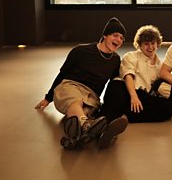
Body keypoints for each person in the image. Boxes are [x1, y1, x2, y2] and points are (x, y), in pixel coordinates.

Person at [35, 17, 128, 150]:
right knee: (76, 102)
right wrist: (48, 98)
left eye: (122, 38)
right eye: (115, 35)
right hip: (70, 86)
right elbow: (62, 73)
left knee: (85, 110)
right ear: (105, 35)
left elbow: (113, 85)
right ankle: (87, 125)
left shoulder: (115, 60)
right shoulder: (81, 51)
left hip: (92, 96)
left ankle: (75, 137)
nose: (119, 40)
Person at [97, 25, 172, 124]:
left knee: (168, 108)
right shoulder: (131, 56)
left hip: (141, 96)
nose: (150, 47)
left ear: (157, 43)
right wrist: (134, 96)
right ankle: (103, 123)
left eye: (153, 43)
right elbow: (128, 76)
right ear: (140, 45)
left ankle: (122, 117)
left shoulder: (160, 66)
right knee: (117, 86)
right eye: (146, 44)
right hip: (125, 90)